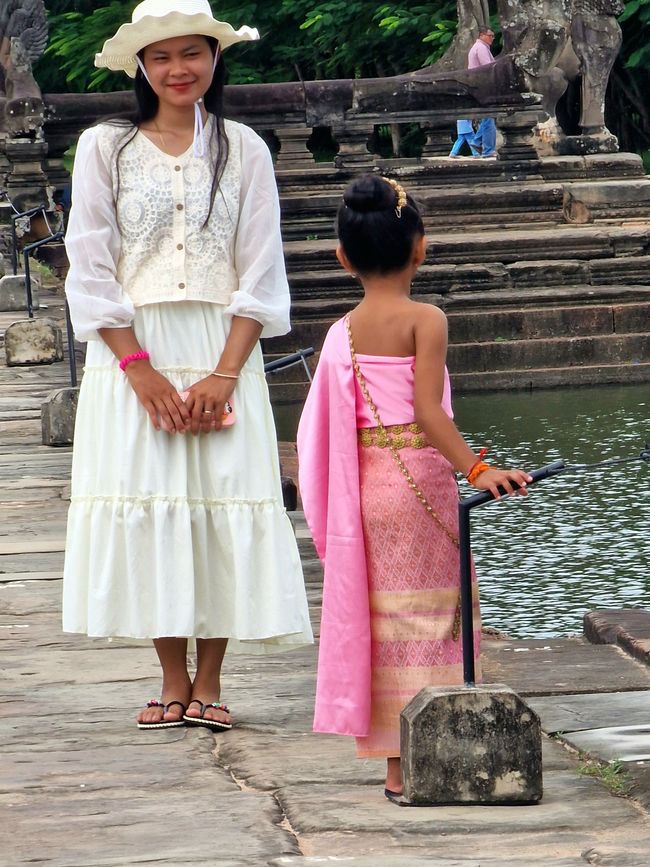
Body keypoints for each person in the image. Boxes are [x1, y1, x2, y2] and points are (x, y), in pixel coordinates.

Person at [62, 0, 313, 732]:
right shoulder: (104, 148)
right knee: (152, 508)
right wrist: (137, 369)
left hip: (222, 350)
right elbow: (90, 267)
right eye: (163, 56)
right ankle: (170, 677)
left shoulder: (245, 149)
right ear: (142, 65)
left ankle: (211, 678)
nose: (179, 69)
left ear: (214, 58)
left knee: (219, 505)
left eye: (193, 53)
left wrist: (224, 373)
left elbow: (261, 273)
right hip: (129, 353)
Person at [297, 175, 531, 800]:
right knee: (438, 617)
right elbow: (429, 412)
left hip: (368, 490)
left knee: (387, 621)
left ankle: (397, 768)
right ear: (420, 248)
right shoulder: (427, 318)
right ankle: (443, 752)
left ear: (343, 258)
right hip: (421, 482)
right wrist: (478, 470)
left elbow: (324, 429)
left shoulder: (339, 333)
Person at [468, 26, 497, 158]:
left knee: (487, 117)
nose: (492, 38)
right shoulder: (481, 48)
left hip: (479, 86)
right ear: (482, 35)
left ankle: (477, 141)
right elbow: (488, 68)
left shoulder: (480, 47)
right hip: (483, 86)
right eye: (490, 35)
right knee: (489, 116)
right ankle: (488, 150)